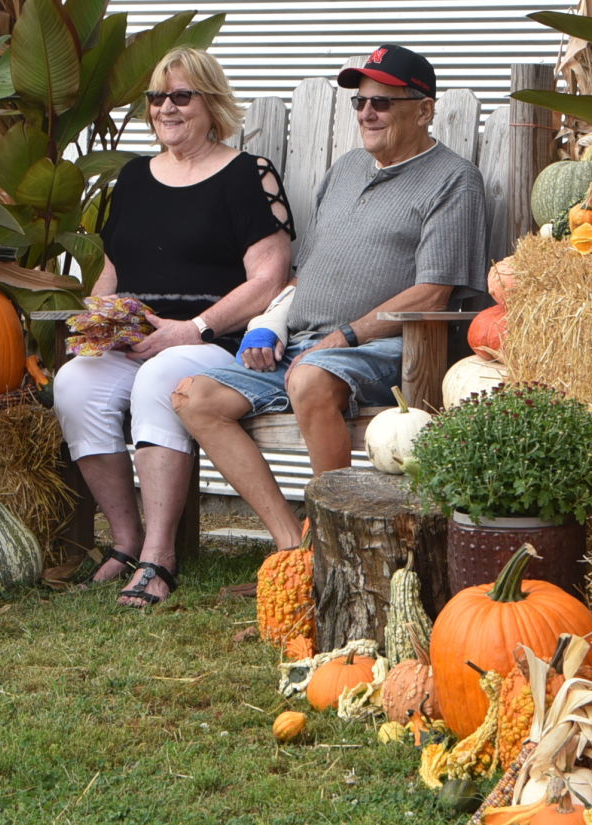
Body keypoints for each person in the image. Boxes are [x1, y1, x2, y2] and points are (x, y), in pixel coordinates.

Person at [173, 43, 488, 553]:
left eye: (382, 103)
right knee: (195, 397)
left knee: (310, 378)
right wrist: (269, 325)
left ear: (424, 109)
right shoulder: (345, 170)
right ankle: (292, 547)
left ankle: (334, 545)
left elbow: (435, 290)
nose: (367, 112)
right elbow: (307, 272)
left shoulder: (453, 180)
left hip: (391, 348)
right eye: (360, 102)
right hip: (305, 343)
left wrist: (346, 334)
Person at [53, 47, 293, 608]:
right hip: (138, 338)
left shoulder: (246, 174)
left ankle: (160, 556)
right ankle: (125, 539)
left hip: (216, 343)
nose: (167, 107)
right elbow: (112, 270)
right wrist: (102, 320)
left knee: (159, 378)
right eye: (157, 97)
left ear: (211, 104)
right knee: (75, 384)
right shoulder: (135, 177)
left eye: (181, 96)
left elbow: (269, 277)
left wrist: (191, 329)